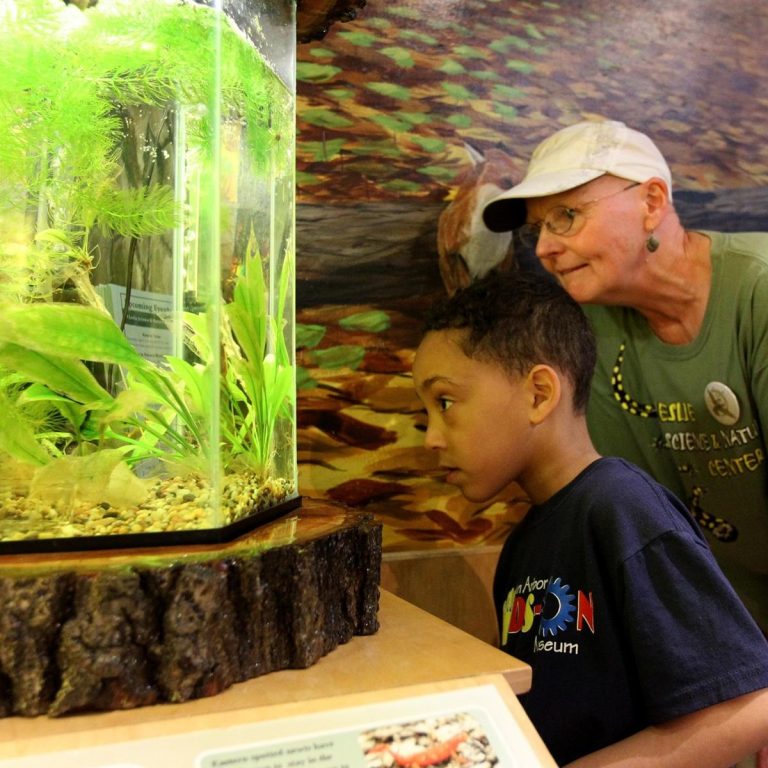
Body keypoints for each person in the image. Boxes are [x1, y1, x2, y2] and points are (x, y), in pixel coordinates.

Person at [412, 270, 768, 768]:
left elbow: (748, 708)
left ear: (539, 394)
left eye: (445, 402)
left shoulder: (623, 509)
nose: (430, 437)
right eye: (424, 413)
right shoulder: (525, 543)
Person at [482, 119, 768, 640]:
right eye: (537, 228)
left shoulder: (759, 291)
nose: (544, 248)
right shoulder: (590, 332)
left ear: (652, 203)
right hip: (719, 637)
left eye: (566, 216)